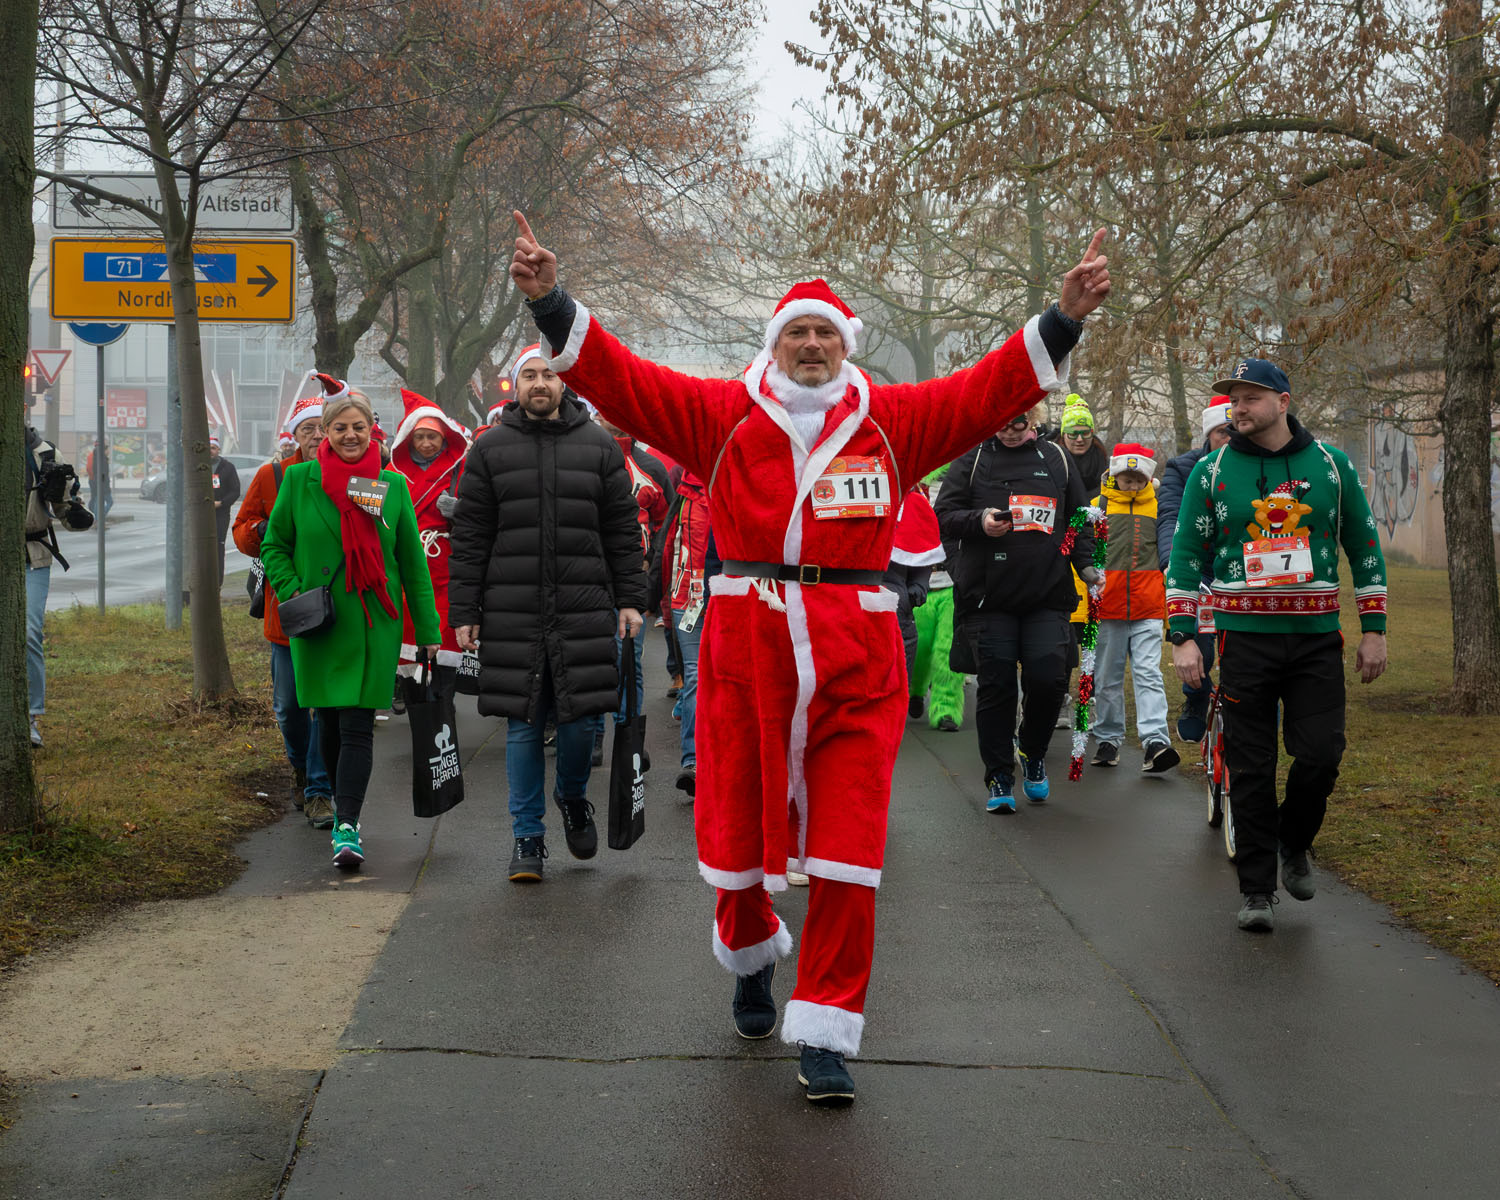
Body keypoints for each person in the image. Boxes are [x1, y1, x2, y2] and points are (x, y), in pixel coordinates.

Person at [507, 210, 1110, 1103]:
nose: (814, 345)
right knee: (735, 833)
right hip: (747, 654)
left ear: (846, 345)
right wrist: (551, 303)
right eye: (799, 333)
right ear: (775, 343)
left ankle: (826, 1028)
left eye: (827, 333)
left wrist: (1062, 320)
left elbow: (983, 392)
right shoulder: (722, 415)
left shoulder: (890, 421)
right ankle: (751, 954)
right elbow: (627, 382)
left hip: (856, 660)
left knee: (849, 849)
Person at [1166, 358, 1388, 933]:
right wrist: (1182, 636)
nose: (1238, 408)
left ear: (1283, 402)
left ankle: (1293, 840)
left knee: (1321, 755)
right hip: (1245, 640)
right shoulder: (1211, 471)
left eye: (1250, 397)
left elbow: (1363, 543)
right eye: (1233, 399)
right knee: (1251, 765)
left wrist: (1374, 628)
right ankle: (1258, 889)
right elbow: (1186, 554)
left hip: (1316, 640)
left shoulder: (1332, 465)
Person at [447, 345, 649, 884]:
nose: (540, 383)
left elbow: (622, 530)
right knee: (523, 725)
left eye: (548, 375)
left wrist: (631, 599)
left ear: (563, 384)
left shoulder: (598, 445)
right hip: (512, 611)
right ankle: (527, 836)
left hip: (584, 608)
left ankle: (573, 797)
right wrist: (464, 609)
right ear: (515, 387)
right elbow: (471, 536)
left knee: (582, 724)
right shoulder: (489, 449)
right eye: (529, 376)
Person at [260, 375, 441, 870]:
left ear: (371, 430)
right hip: (320, 621)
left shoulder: (392, 486)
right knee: (328, 722)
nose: (349, 435)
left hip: (371, 622)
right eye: (339, 427)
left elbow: (413, 566)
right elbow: (274, 545)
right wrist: (294, 590)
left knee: (358, 723)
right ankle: (338, 806)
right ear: (325, 432)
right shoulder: (299, 480)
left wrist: (428, 633)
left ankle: (348, 825)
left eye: (358, 426)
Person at [935, 406, 1098, 813]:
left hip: (1046, 593)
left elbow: (1079, 517)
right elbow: (944, 517)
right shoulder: (972, 458)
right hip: (989, 597)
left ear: (1033, 419)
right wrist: (980, 521)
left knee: (1049, 679)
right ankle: (999, 775)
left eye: (1018, 423)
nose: (1008, 431)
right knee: (997, 685)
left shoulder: (1055, 457)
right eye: (1001, 423)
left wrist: (1086, 565)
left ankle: (1032, 750)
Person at [233, 393, 336, 826]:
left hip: (337, 610)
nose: (316, 436)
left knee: (324, 705)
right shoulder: (272, 475)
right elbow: (241, 529)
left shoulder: (350, 475)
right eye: (307, 429)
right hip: (288, 613)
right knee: (290, 707)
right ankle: (301, 766)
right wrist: (262, 531)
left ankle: (318, 790)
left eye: (322, 428)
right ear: (295, 435)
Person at [1087, 444, 1179, 773]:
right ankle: (1108, 738)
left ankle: (1155, 741)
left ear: (1148, 478)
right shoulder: (1096, 507)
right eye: (1126, 479)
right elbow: (1083, 551)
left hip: (1148, 605)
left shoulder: (1160, 507)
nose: (1132, 485)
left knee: (1149, 674)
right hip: (1107, 606)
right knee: (1107, 678)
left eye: (1139, 479)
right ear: (1114, 476)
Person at [595, 402, 669, 767]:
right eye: (604, 412)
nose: (612, 417)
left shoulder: (652, 467)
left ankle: (630, 738)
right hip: (589, 577)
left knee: (629, 661)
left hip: (632, 577)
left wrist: (649, 564)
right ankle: (593, 737)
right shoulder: (585, 458)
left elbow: (666, 523)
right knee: (593, 660)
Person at [1157, 397, 1234, 741]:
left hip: (1244, 568)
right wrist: (1170, 562)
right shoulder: (1184, 468)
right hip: (1197, 568)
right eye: (1222, 432)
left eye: (1236, 430)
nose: (1230, 438)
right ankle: (1196, 696)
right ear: (1208, 434)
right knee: (1198, 642)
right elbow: (1170, 515)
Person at [387, 387, 472, 697]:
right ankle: (414, 698)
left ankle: (444, 703)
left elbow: (483, 509)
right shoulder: (391, 472)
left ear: (444, 437)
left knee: (445, 632)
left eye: (432, 437)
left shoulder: (460, 468)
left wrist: (460, 510)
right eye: (420, 437)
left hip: (445, 566)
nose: (426, 443)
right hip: (407, 564)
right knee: (409, 631)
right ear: (409, 438)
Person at [23, 420, 92, 748]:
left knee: (29, 632)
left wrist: (77, 514)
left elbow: (65, 507)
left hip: (33, 555)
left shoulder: (45, 453)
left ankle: (30, 717)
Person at [660, 469, 711, 797]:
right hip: (688, 597)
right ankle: (693, 762)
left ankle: (723, 759)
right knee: (695, 675)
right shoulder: (685, 487)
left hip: (732, 594)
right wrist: (664, 607)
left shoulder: (740, 480)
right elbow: (668, 548)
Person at [907, 468, 965, 733]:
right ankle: (915, 689)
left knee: (947, 650)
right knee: (920, 647)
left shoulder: (961, 488)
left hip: (952, 584)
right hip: (920, 584)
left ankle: (946, 708)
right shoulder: (912, 490)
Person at [885, 486, 943, 685]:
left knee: (895, 684)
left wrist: (916, 588)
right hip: (846, 603)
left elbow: (923, 547)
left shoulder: (912, 501)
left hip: (897, 605)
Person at [1051, 393, 1109, 492]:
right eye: (1073, 434)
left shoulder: (1106, 465)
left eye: (1085, 433)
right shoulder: (1050, 461)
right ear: (1063, 435)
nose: (1080, 439)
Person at [209, 434, 242, 586]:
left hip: (220, 514)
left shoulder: (227, 467)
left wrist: (221, 503)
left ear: (218, 450)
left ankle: (217, 582)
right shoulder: (199, 466)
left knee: (217, 546)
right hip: (200, 515)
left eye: (213, 448)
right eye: (208, 448)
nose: (210, 451)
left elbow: (235, 490)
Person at [85, 437, 113, 518]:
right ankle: (97, 517)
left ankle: (94, 516)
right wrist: (95, 478)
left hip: (95, 480)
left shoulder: (96, 454)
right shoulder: (97, 455)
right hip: (97, 480)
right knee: (96, 499)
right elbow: (90, 468)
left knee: (95, 499)